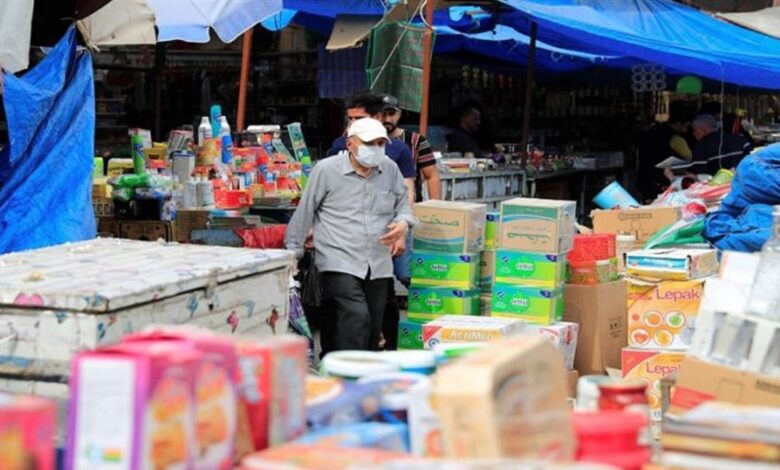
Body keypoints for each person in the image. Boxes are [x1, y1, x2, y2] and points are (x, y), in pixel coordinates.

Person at [285, 118, 417, 354]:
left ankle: (360, 366)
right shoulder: (326, 170)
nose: (376, 148)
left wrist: (403, 223)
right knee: (357, 314)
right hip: (338, 257)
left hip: (378, 260)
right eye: (370, 143)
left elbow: (403, 205)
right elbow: (305, 210)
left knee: (373, 325)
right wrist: (293, 252)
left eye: (380, 143)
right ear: (350, 144)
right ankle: (348, 368)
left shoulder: (389, 168)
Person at [327, 92, 416, 206]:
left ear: (377, 117)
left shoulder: (399, 150)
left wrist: (404, 215)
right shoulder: (339, 145)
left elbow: (407, 191)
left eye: (359, 118)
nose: (353, 123)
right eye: (350, 118)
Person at [637, 101, 694, 202]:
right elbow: (689, 157)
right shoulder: (675, 138)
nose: (686, 130)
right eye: (685, 127)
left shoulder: (653, 131)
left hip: (644, 176)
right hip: (661, 181)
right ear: (678, 123)